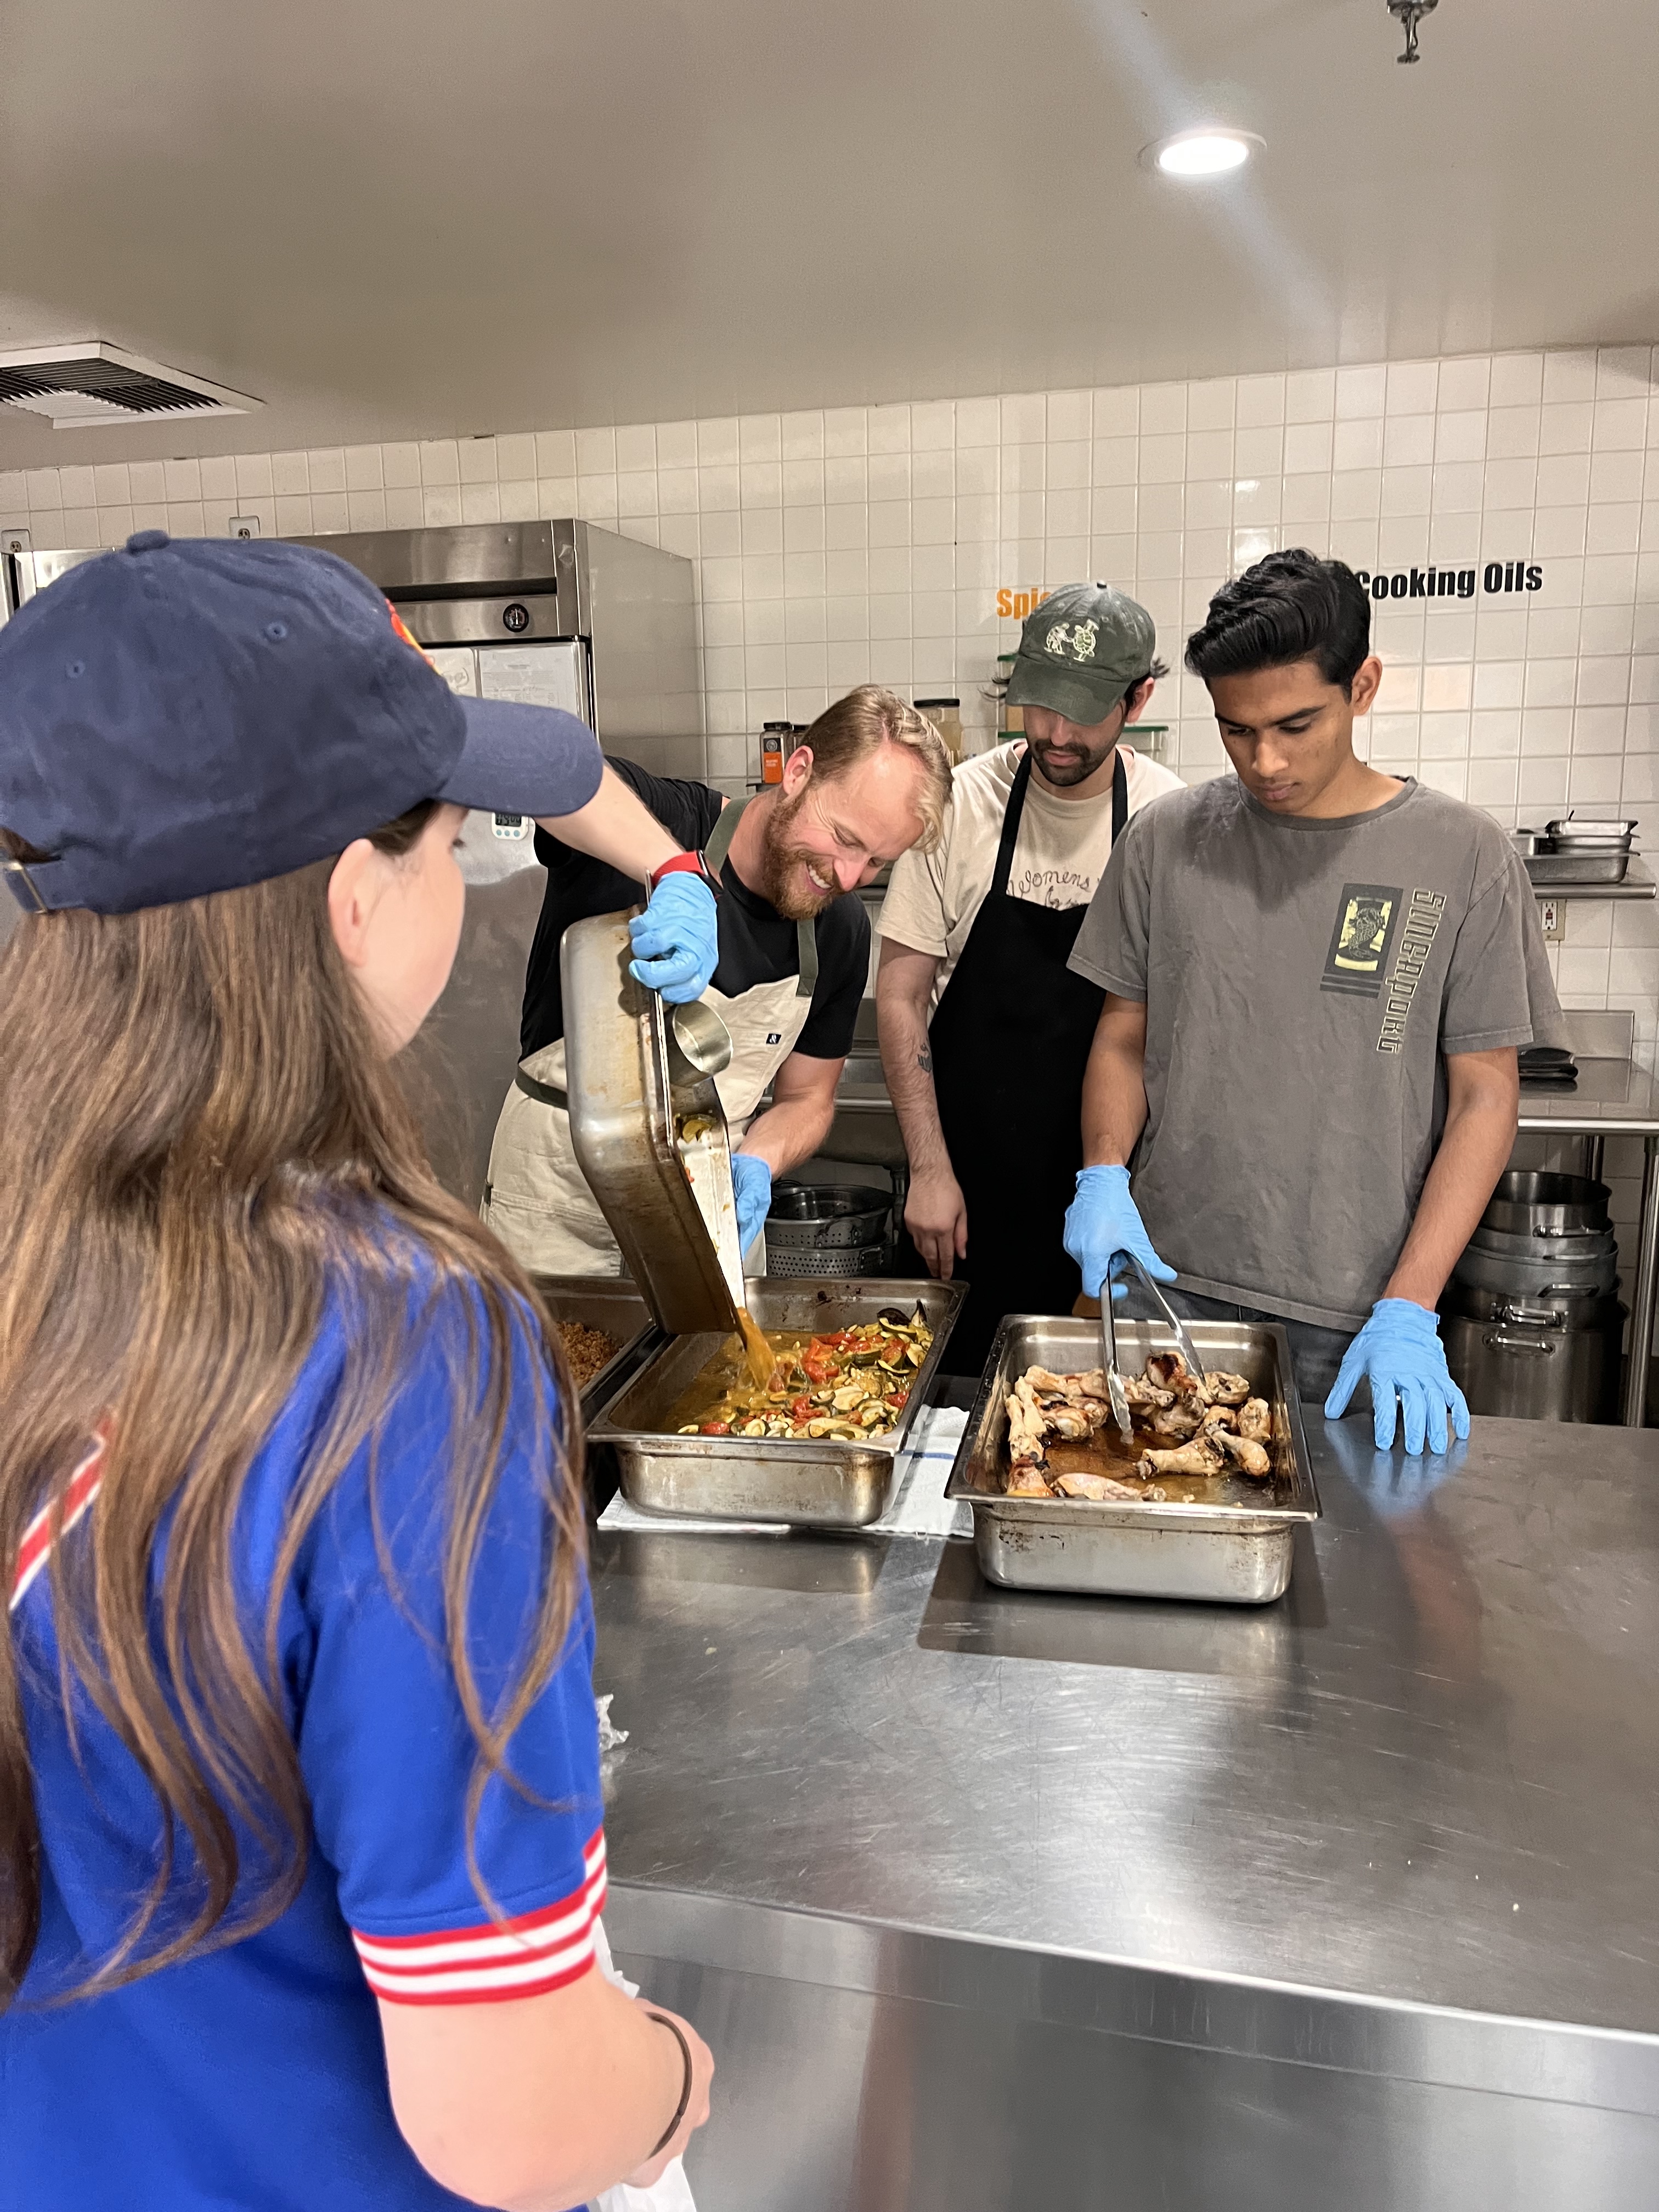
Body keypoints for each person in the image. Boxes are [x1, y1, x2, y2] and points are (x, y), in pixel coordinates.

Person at [0, 531, 716, 2211]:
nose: (471, 884)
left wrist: (677, 874)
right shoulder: (404, 1346)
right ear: (351, 898)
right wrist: (679, 2073)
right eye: (454, 841)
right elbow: (514, 2117)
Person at [1062, 548, 1564, 1453]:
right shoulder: (1164, 840)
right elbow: (1122, 1034)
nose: (1264, 759)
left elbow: (1485, 1096)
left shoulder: (1460, 856)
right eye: (1234, 729)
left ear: (1360, 685)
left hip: (1354, 1316)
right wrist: (1102, 1174)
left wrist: (1409, 1302)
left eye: (1295, 724)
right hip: (1160, 1287)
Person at [482, 687, 952, 1275]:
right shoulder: (663, 818)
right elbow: (534, 759)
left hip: (704, 1213)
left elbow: (809, 1099)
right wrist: (668, 868)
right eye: (846, 839)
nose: (850, 876)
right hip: (555, 1210)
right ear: (799, 772)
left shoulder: (840, 931)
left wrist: (759, 1158)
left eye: (878, 861)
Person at [876, 583, 1182, 1372]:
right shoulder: (961, 805)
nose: (1055, 733)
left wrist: (1134, 1197)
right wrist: (928, 1168)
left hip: (1112, 1203)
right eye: (1039, 705)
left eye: (1082, 710)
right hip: (967, 1199)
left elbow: (1171, 1028)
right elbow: (903, 998)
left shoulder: (1168, 820)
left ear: (1139, 696)